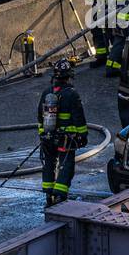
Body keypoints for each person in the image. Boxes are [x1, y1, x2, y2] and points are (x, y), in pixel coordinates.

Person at [37, 59, 88, 206]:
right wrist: (82, 136)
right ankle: (60, 195)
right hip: (66, 139)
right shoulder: (72, 94)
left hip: (48, 137)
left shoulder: (46, 93)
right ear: (68, 76)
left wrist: (43, 135)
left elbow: (40, 116)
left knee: (49, 164)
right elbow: (79, 118)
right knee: (66, 165)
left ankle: (48, 194)